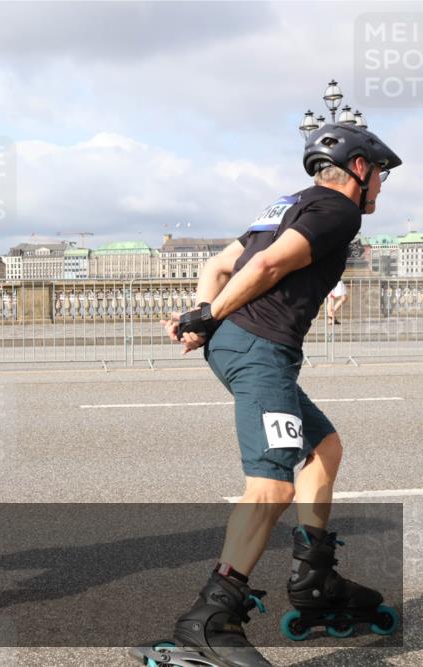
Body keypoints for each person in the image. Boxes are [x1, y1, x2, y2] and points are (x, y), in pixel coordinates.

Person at [137, 124, 403, 667]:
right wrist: (205, 316)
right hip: (260, 348)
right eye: (380, 174)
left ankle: (314, 577)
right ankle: (209, 622)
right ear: (359, 168)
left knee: (323, 447)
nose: (381, 185)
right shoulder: (339, 209)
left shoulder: (287, 204)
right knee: (271, 484)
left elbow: (216, 266)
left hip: (242, 343)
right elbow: (266, 265)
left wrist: (205, 320)